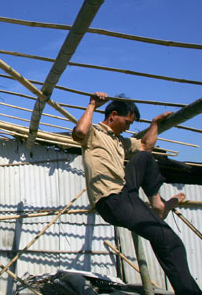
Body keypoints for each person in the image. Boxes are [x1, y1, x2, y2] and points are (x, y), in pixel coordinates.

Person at [72, 92, 201, 295]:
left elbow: (145, 146)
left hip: (126, 193)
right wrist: (93, 104)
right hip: (112, 200)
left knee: (144, 158)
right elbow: (79, 131)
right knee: (172, 242)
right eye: (127, 122)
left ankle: (157, 205)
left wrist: (155, 124)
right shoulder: (93, 133)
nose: (129, 127)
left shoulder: (119, 141)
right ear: (113, 115)